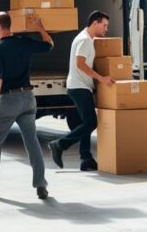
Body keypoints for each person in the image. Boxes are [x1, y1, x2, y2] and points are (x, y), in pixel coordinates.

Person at [0, 12, 53, 200]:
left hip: (8, 100)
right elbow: (49, 45)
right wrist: (40, 28)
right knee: (32, 142)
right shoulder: (24, 42)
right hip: (28, 98)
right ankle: (41, 185)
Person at [49, 11, 114, 171]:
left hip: (79, 86)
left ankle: (86, 158)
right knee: (91, 123)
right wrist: (101, 78)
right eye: (104, 25)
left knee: (86, 123)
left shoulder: (86, 38)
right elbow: (81, 64)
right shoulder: (84, 40)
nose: (106, 29)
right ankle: (59, 145)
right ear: (95, 23)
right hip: (79, 87)